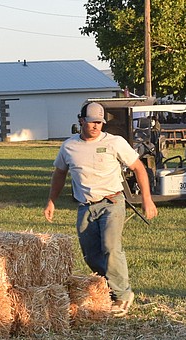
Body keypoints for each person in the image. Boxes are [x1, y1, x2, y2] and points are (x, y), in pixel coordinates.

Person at [45, 101, 158, 316]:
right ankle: (107, 288)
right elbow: (59, 174)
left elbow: (138, 168)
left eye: (99, 122)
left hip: (112, 202)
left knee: (110, 247)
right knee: (91, 254)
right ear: (81, 121)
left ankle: (123, 295)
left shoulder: (115, 142)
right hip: (85, 206)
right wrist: (51, 201)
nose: (96, 126)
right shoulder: (69, 146)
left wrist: (146, 199)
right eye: (91, 122)